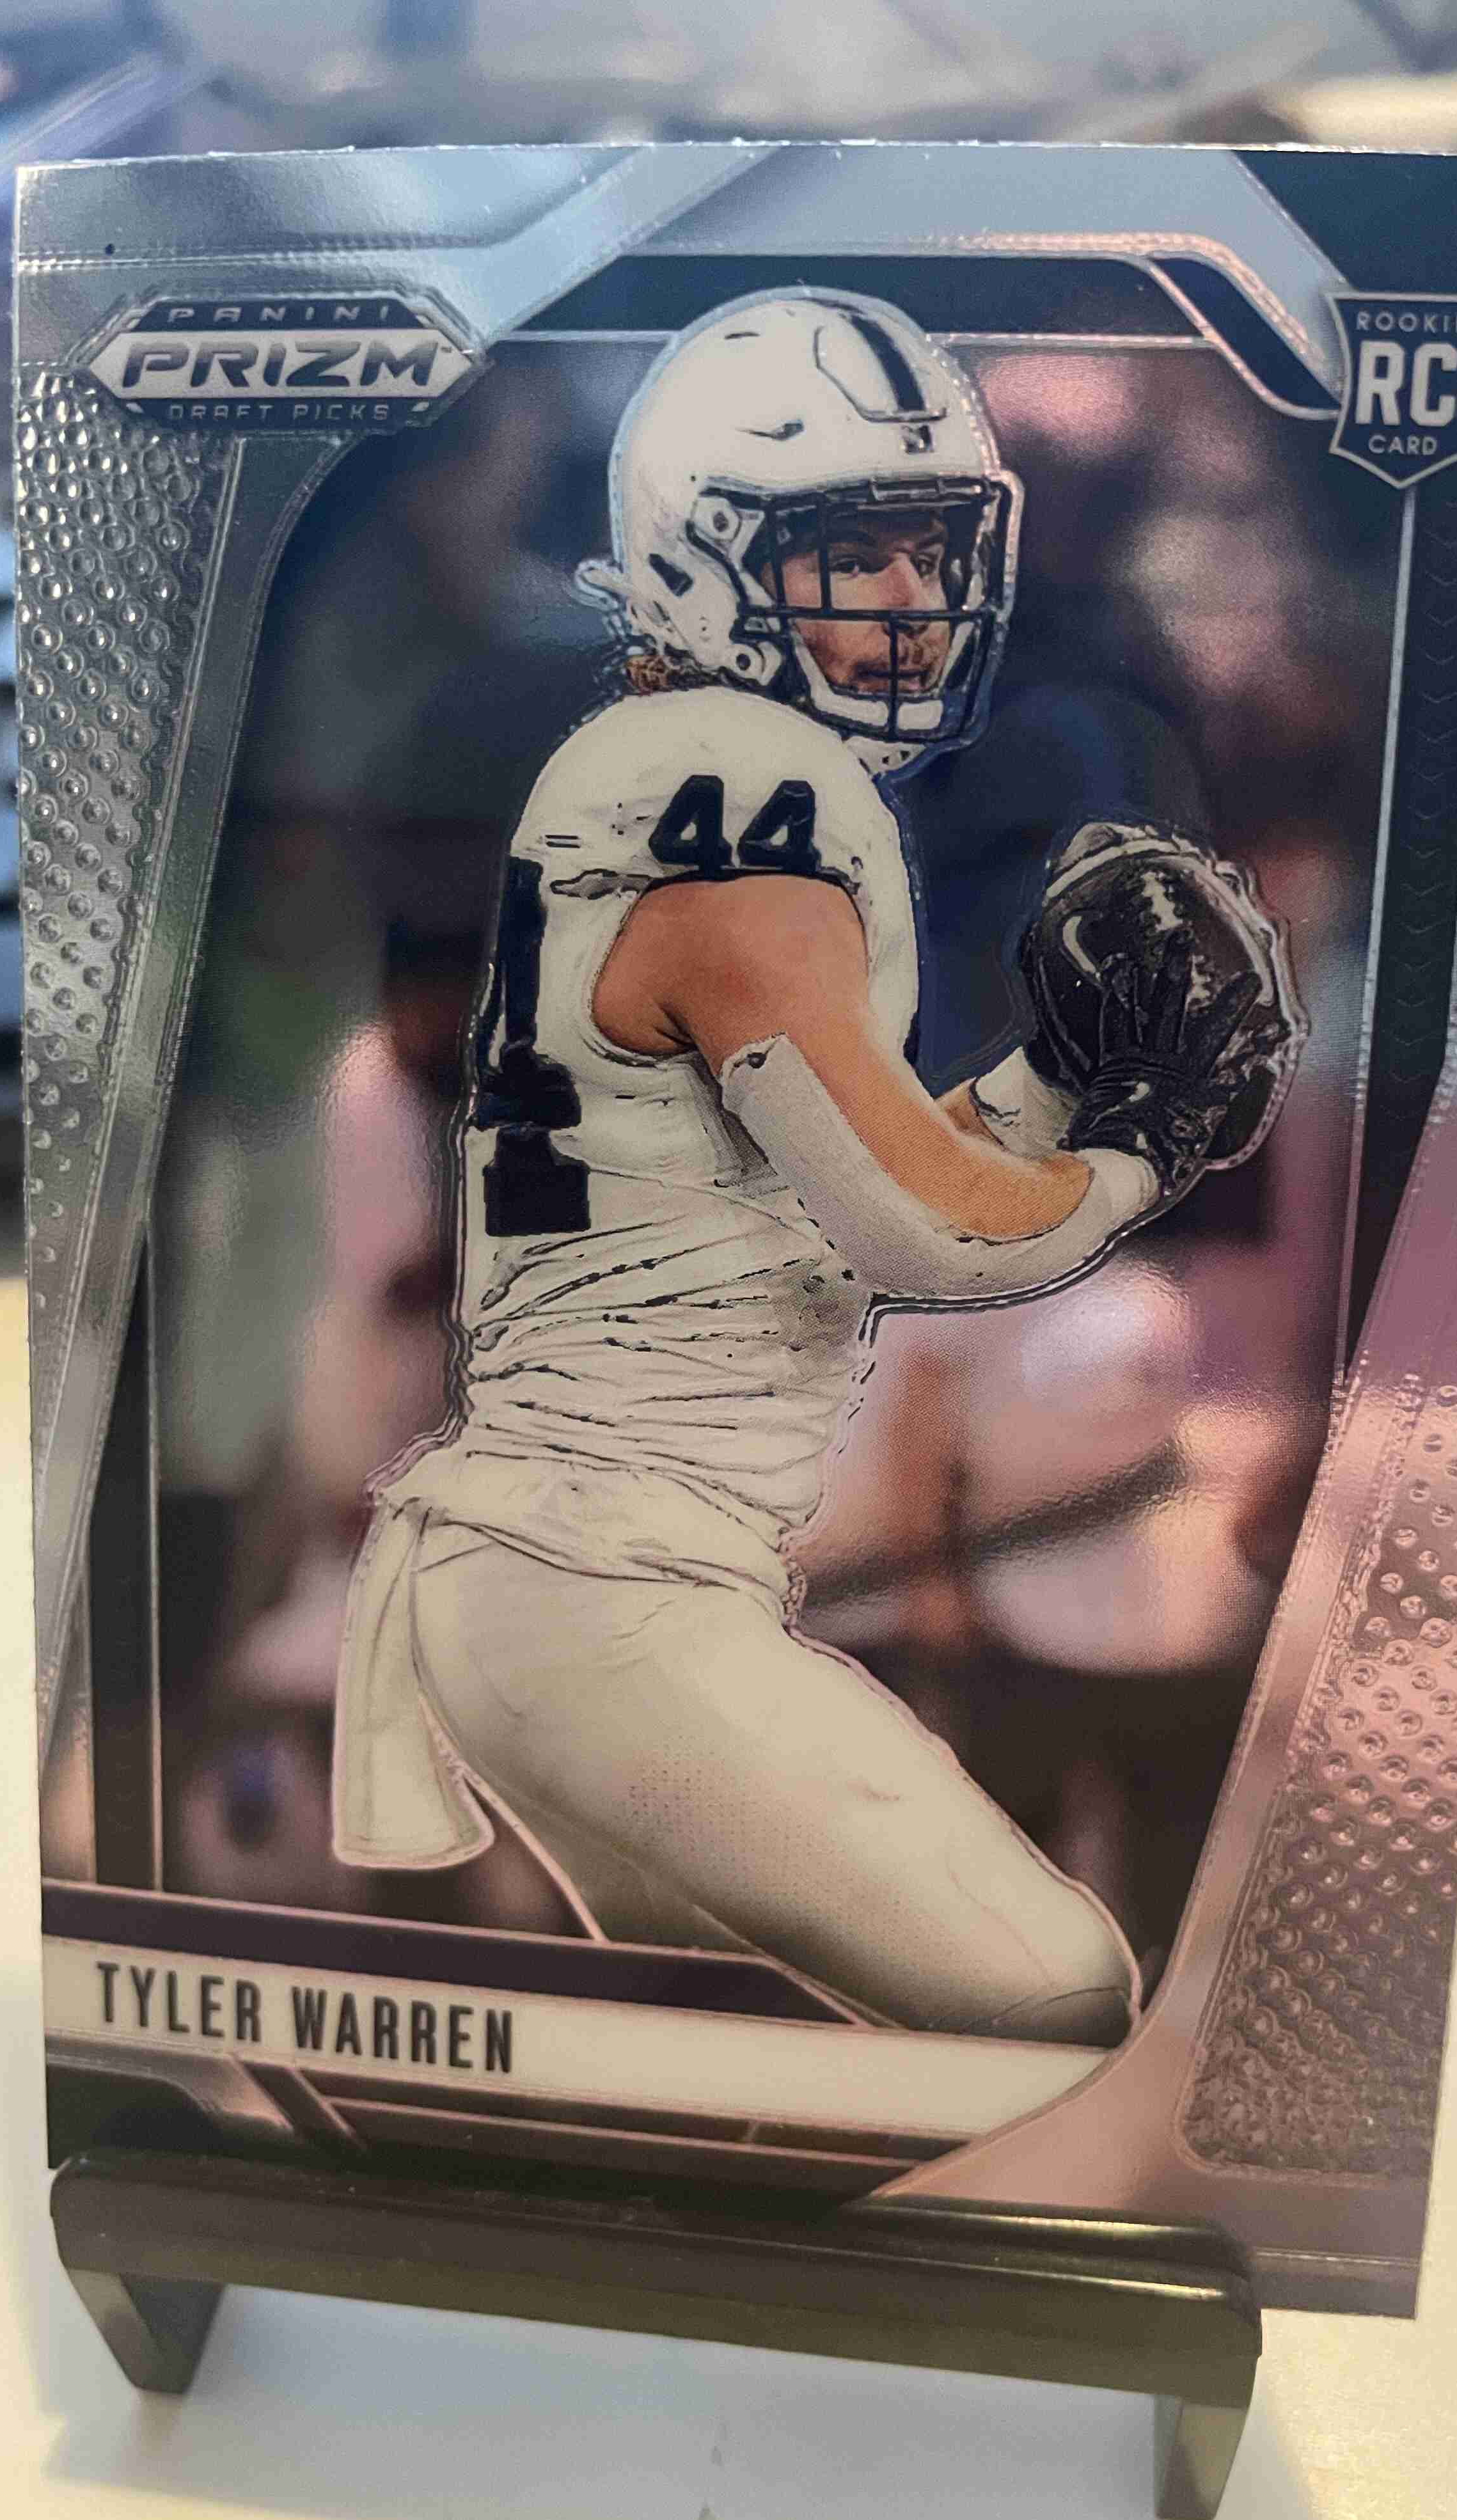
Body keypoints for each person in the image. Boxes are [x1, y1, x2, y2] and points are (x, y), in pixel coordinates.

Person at [330, 290, 1300, 2047]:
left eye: (937, 550)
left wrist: (1051, 1083)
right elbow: (929, 1232)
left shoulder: (680, 776)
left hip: (582, 1585)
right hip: (605, 1597)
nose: (915, 601)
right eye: (856, 554)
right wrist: (1141, 1139)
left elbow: (847, 1197)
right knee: (1057, 1989)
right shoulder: (738, 828)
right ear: (703, 554)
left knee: (750, 2056)